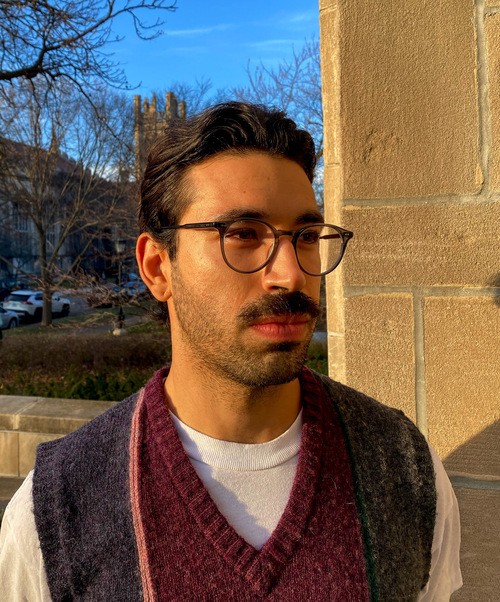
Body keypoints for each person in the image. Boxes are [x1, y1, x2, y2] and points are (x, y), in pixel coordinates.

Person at [0, 102, 462, 600]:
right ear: (157, 267)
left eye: (306, 236)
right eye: (242, 235)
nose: (290, 274)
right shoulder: (55, 512)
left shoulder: (406, 470)